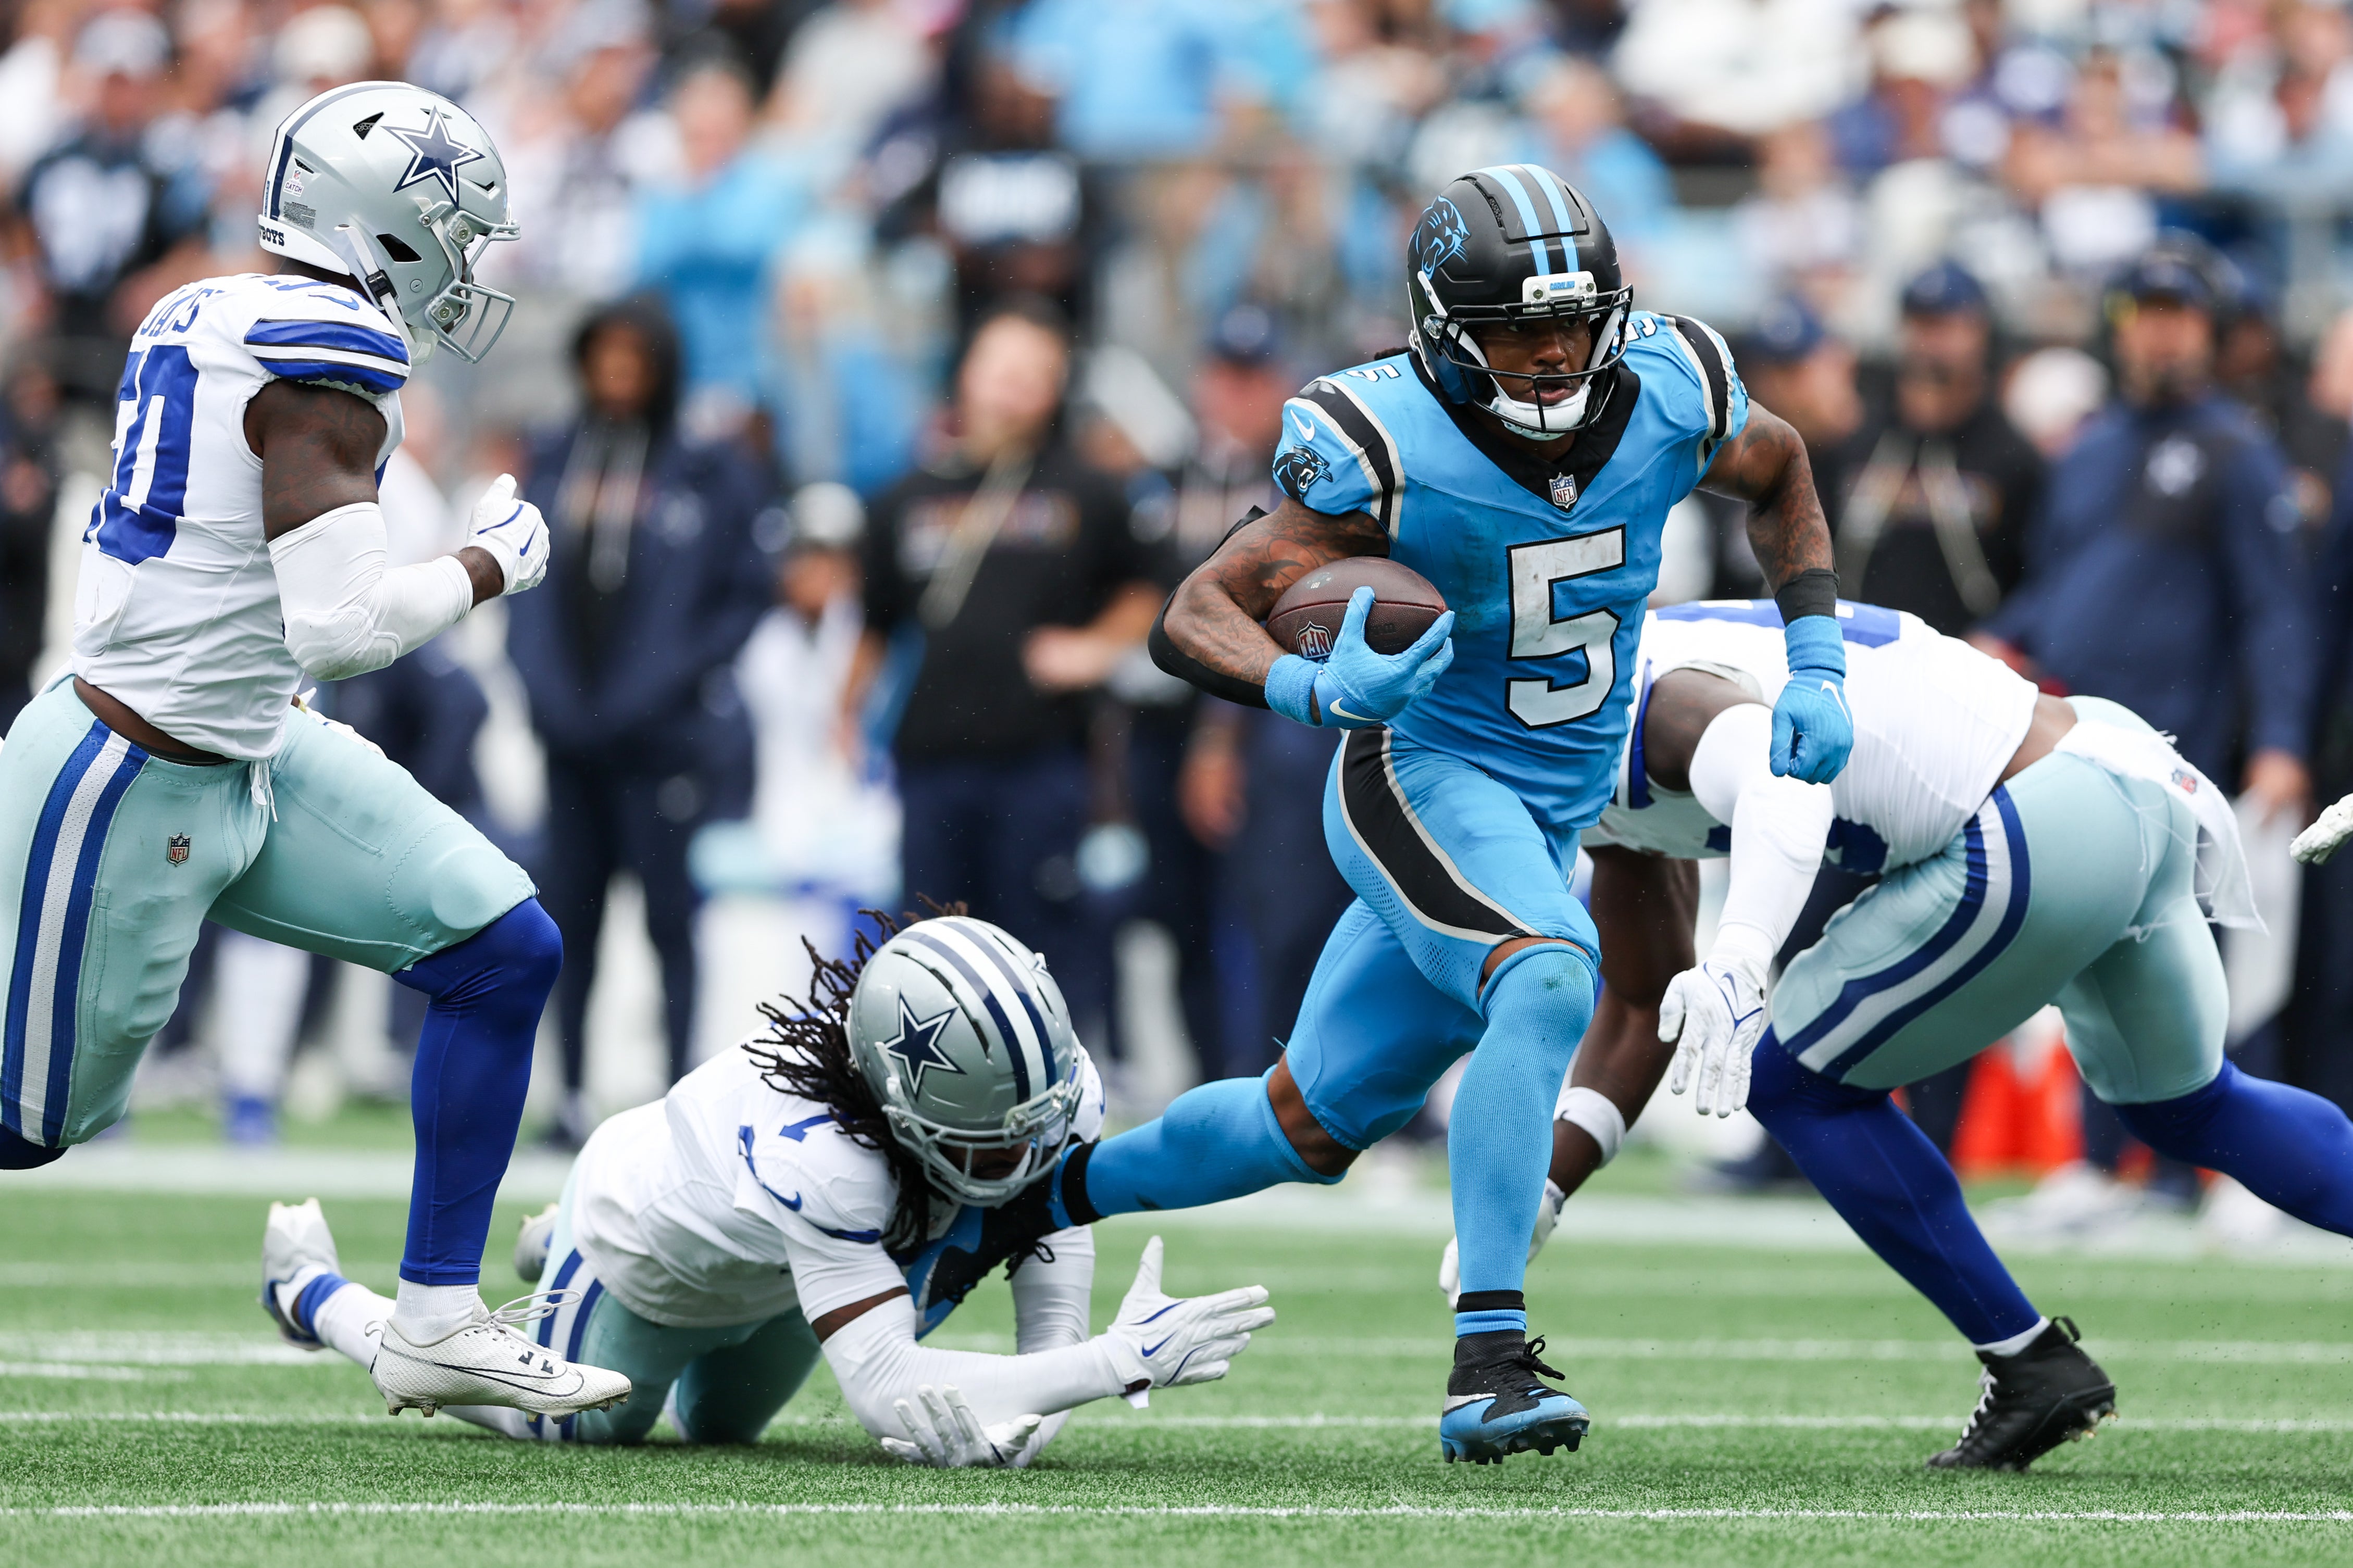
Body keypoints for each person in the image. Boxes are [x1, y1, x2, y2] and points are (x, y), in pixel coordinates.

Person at [968, 166, 1850, 1464]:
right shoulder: (1380, 434)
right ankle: (1489, 1357)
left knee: (1305, 1125)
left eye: (1571, 323)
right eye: (1512, 330)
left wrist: (1817, 651)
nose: (1551, 357)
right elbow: (1195, 610)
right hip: (1421, 775)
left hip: (1552, 808)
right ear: (1442, 328)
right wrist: (1311, 685)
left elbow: (1781, 469)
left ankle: (1021, 1203)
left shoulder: (1672, 381)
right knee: (1551, 974)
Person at [0, 82, 626, 1420]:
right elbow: (338, 626)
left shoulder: (212, 302)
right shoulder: (323, 353)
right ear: (387, 223)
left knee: (501, 946)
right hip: (127, 772)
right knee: (26, 1128)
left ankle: (441, 1321)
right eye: (452, 229)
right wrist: (488, 564)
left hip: (249, 746)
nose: (463, 264)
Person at [1461, 598, 2353, 1470]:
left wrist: (1741, 957)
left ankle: (2028, 1364)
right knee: (2189, 1108)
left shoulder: (1636, 700)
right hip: (2117, 773)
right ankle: (2030, 1365)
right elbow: (1640, 1002)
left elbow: (1781, 785)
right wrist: (1542, 1189)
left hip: (2039, 815)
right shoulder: (1593, 698)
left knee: (1793, 1083)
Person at [261, 914, 1273, 1456]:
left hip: (782, 1269)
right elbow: (888, 1396)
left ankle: (540, 1252)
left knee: (724, 1433)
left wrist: (1033, 1412)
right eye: (995, 1140)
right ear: (903, 1110)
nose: (1034, 1156)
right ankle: (316, 1296)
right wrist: (1111, 1366)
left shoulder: (1044, 1091)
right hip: (647, 1254)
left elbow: (1045, 1267)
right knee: (584, 1426)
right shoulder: (822, 1156)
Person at [1977, 244, 2319, 1219]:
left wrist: (2282, 740)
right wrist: (2009, 635)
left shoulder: (2235, 453)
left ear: (2211, 332)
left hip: (2182, 739)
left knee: (2193, 956)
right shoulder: (2088, 448)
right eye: (2145, 310)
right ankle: (2100, 1161)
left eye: (2179, 313)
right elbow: (2068, 581)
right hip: (2074, 735)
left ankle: (2201, 1174)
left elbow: (2274, 611)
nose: (2160, 330)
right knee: (2080, 943)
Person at [854, 299, 1167, 1042]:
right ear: (967, 375)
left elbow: (1153, 587)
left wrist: (1095, 647)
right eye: (1001, 370)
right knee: (929, 944)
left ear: (1056, 387)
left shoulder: (1086, 491)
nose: (1013, 390)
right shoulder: (906, 497)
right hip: (930, 758)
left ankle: (1052, 1081)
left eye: (1034, 375)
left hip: (1041, 758)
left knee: (1037, 938)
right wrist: (844, 721)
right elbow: (874, 625)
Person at [507, 296, 775, 1141]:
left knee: (669, 921)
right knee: (568, 924)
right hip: (570, 741)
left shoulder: (707, 469)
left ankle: (679, 1098)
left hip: (663, 743)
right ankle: (572, 1094)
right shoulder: (554, 457)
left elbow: (742, 594)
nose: (617, 376)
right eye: (604, 358)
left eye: (635, 360)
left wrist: (668, 685)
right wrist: (547, 693)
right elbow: (520, 586)